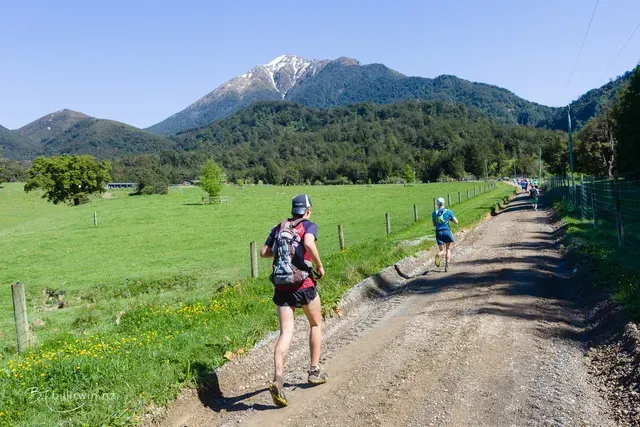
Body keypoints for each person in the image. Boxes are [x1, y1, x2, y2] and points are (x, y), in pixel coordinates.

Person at [260, 194, 328, 407]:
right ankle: (314, 371)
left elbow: (263, 252)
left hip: (282, 285)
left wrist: (283, 255)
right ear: (308, 210)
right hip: (303, 285)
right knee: (315, 323)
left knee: (285, 333)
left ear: (293, 210)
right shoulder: (309, 226)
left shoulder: (279, 227)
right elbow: (308, 243)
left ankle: (278, 379)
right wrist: (319, 265)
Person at [432, 197, 459, 272]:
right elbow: (456, 222)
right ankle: (447, 266)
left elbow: (434, 224)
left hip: (438, 232)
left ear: (437, 204)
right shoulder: (448, 211)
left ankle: (438, 255)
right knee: (448, 249)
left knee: (442, 251)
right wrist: (450, 219)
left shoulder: (434, 213)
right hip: (446, 231)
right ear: (444, 203)